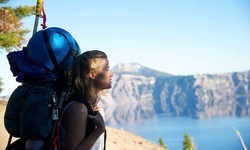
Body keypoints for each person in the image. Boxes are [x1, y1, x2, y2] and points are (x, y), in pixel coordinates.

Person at [60, 50, 113, 150]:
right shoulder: (78, 109)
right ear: (92, 74)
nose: (111, 74)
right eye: (106, 69)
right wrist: (99, 129)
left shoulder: (88, 107)